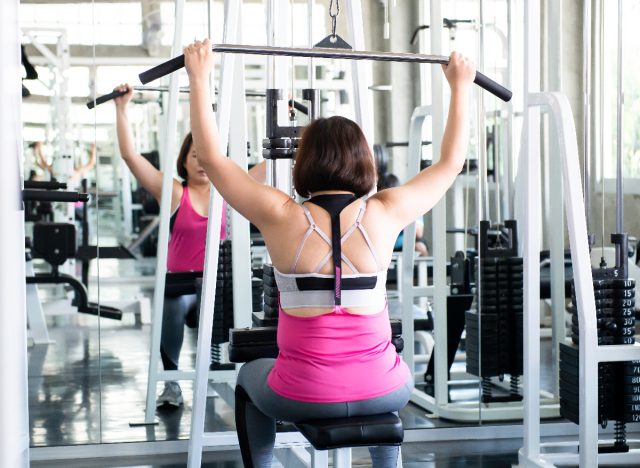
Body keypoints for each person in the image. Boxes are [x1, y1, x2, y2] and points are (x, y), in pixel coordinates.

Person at [184, 38, 474, 467]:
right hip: (387, 390)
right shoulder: (386, 211)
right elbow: (449, 164)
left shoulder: (280, 215)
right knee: (384, 373)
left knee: (247, 376)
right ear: (364, 162)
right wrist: (460, 86)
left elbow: (211, 155)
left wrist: (200, 76)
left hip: (302, 395)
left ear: (304, 161)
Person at [113, 85, 265, 408]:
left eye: (205, 156)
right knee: (171, 305)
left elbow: (277, 161)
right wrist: (122, 109)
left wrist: (289, 116)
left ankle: (240, 376)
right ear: (183, 160)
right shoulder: (173, 192)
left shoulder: (231, 192)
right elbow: (130, 157)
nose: (200, 162)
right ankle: (171, 384)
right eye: (194, 155)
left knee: (255, 301)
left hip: (220, 286)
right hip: (183, 287)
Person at [377, 172, 429, 256]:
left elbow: (419, 233)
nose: (386, 198)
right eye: (383, 194)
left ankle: (426, 269)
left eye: (389, 194)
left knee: (420, 247)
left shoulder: (411, 205)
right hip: (382, 244)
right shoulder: (374, 206)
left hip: (407, 243)